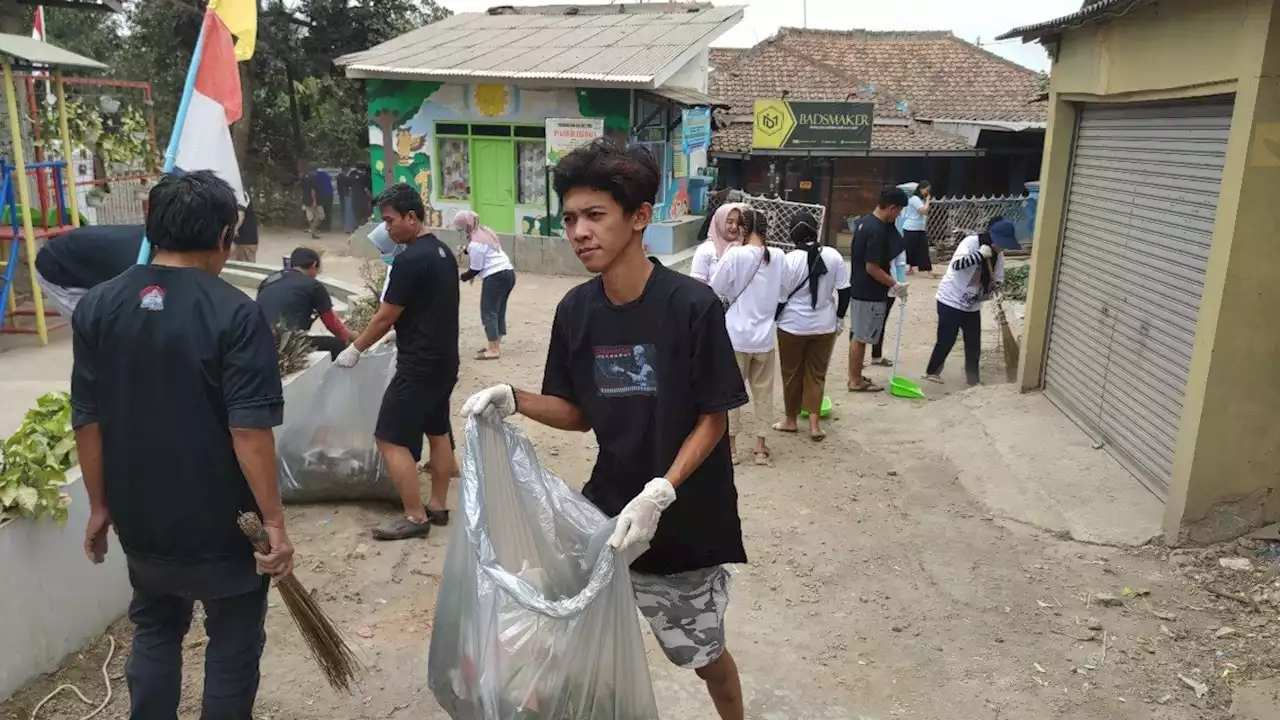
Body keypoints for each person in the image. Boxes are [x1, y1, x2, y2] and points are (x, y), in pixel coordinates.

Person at [460, 138, 749, 720]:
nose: (579, 232)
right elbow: (577, 411)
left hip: (683, 519)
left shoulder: (692, 305)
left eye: (595, 215)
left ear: (640, 217)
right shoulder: (577, 311)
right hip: (607, 512)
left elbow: (713, 417)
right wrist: (514, 399)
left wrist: (662, 489)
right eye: (569, 218)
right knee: (570, 635)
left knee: (698, 652)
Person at [71, 170, 293, 719]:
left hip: (140, 517)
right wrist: (275, 524)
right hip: (223, 524)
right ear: (224, 235)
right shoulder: (236, 313)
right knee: (234, 643)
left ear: (150, 222)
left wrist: (100, 507)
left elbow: (88, 419)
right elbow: (248, 432)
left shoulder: (98, 306)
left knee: (154, 627)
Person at [335, 183, 460, 541]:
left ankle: (414, 516)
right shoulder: (441, 252)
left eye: (390, 221)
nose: (387, 229)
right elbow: (429, 307)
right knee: (438, 432)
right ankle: (437, 506)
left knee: (389, 438)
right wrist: (399, 331)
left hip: (418, 365)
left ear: (412, 217)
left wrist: (355, 348)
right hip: (444, 360)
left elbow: (383, 317)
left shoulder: (408, 260)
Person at [710, 207, 785, 466]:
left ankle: (730, 448)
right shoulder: (778, 256)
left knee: (732, 393)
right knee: (764, 393)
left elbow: (715, 289)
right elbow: (782, 292)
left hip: (736, 337)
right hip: (764, 338)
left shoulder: (735, 256)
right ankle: (761, 449)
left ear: (744, 228)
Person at [772, 212, 849, 441]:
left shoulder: (788, 260)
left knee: (791, 373)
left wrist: (772, 320)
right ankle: (815, 425)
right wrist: (839, 318)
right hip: (824, 326)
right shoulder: (834, 256)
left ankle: (791, 421)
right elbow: (845, 291)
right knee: (817, 374)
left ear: (792, 233)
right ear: (816, 230)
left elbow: (781, 299)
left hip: (792, 326)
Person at [925, 217, 1019, 386]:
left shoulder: (998, 256)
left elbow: (997, 280)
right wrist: (979, 255)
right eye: (1001, 243)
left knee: (973, 342)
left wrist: (995, 290)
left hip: (972, 304)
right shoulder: (971, 243)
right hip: (950, 299)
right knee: (946, 339)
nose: (1002, 247)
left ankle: (973, 378)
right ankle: (932, 372)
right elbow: (956, 265)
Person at [847, 188, 910, 393]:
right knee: (861, 337)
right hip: (869, 291)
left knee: (859, 334)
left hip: (859, 287)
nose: (897, 216)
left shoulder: (865, 222)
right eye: (898, 212)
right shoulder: (877, 230)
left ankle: (854, 375)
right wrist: (895, 284)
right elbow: (871, 267)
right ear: (891, 208)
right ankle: (855, 380)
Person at [255, 247, 352, 359]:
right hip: (287, 345)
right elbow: (332, 323)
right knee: (336, 344)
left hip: (259, 342)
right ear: (314, 265)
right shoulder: (314, 286)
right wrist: (349, 340)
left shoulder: (269, 281)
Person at [34, 224, 145, 319]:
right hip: (57, 266)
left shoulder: (150, 242)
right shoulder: (140, 262)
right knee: (101, 334)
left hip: (91, 262)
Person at [452, 210, 516, 360]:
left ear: (466, 226)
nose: (460, 231)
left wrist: (458, 278)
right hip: (508, 273)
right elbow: (484, 250)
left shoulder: (476, 244)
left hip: (495, 277)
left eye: (460, 227)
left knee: (488, 312)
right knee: (498, 311)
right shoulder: (485, 232)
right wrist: (465, 250)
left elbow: (475, 269)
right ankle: (495, 344)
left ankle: (493, 350)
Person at [689, 201, 746, 283]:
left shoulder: (743, 248)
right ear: (719, 223)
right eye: (729, 222)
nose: (734, 226)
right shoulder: (706, 250)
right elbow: (697, 284)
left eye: (738, 223)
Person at [901, 181, 932, 275]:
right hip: (911, 228)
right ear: (921, 189)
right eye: (926, 190)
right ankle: (908, 267)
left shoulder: (920, 200)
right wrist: (928, 200)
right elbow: (923, 210)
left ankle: (927, 269)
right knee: (909, 249)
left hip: (920, 228)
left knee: (923, 249)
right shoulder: (914, 199)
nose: (927, 192)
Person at [300, 163, 323, 239]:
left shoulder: (303, 176)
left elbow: (302, 188)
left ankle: (313, 232)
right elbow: (313, 190)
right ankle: (313, 231)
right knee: (321, 216)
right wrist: (314, 201)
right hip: (313, 200)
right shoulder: (313, 177)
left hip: (305, 199)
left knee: (310, 217)